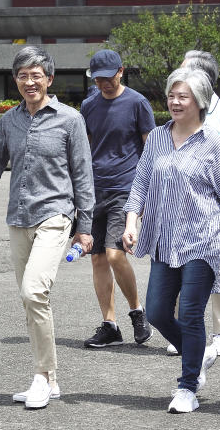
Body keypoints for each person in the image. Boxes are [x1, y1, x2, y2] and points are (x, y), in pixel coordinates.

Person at [0, 46, 95, 410]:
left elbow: (83, 175)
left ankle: (40, 375)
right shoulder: (10, 121)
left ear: (49, 80)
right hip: (18, 218)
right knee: (31, 299)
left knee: (34, 291)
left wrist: (85, 227)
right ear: (16, 81)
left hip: (56, 216)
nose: (29, 81)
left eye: (36, 75)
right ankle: (50, 380)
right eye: (23, 76)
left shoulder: (70, 120)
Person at [121, 68, 220, 414]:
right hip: (164, 239)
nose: (174, 102)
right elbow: (140, 184)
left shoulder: (212, 141)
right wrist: (131, 221)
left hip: (202, 238)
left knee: (189, 313)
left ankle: (187, 387)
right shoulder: (156, 137)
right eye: (171, 95)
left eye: (182, 96)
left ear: (199, 101)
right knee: (155, 310)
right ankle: (201, 354)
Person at [80, 49, 156, 348]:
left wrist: (147, 193)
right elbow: (83, 148)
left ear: (121, 71)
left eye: (109, 78)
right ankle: (110, 325)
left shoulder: (137, 103)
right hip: (93, 190)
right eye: (98, 80)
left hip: (125, 187)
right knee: (97, 257)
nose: (104, 84)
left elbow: (150, 148)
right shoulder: (88, 105)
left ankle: (137, 311)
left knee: (115, 253)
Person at [180, 50, 220, 357]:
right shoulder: (182, 112)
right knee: (181, 266)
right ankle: (183, 330)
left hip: (219, 209)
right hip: (184, 208)